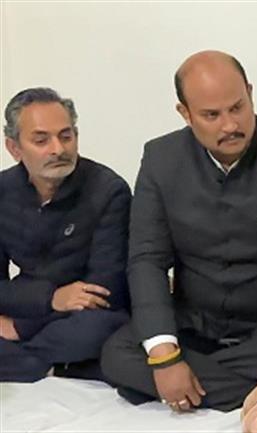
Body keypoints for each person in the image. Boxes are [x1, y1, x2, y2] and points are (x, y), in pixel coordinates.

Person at [101, 50, 257, 412]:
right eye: (212, 115)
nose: (230, 125)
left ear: (250, 94)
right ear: (185, 113)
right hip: (198, 322)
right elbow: (147, 259)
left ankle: (195, 387)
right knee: (117, 354)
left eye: (237, 107)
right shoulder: (160, 159)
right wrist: (165, 358)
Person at [0, 87, 131, 382]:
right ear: (14, 148)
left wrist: (20, 327)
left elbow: (105, 290)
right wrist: (49, 298)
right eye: (41, 140)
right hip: (32, 305)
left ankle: (27, 363)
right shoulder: (2, 192)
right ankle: (55, 366)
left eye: (66, 136)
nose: (58, 149)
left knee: (100, 331)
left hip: (86, 316)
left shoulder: (109, 191)